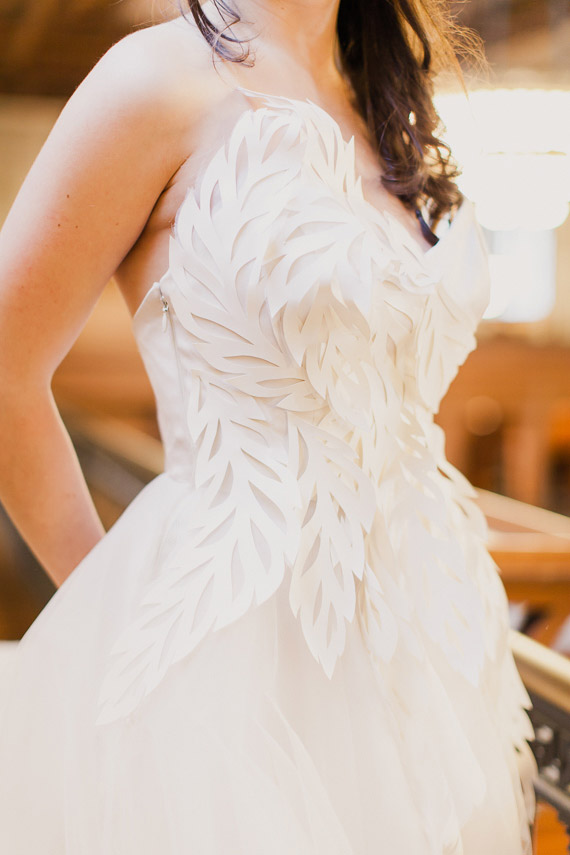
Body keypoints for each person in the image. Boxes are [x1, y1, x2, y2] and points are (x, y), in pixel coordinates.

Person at [0, 1, 538, 852]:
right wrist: (106, 609)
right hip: (229, 672)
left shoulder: (387, 98)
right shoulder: (156, 81)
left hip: (428, 655)